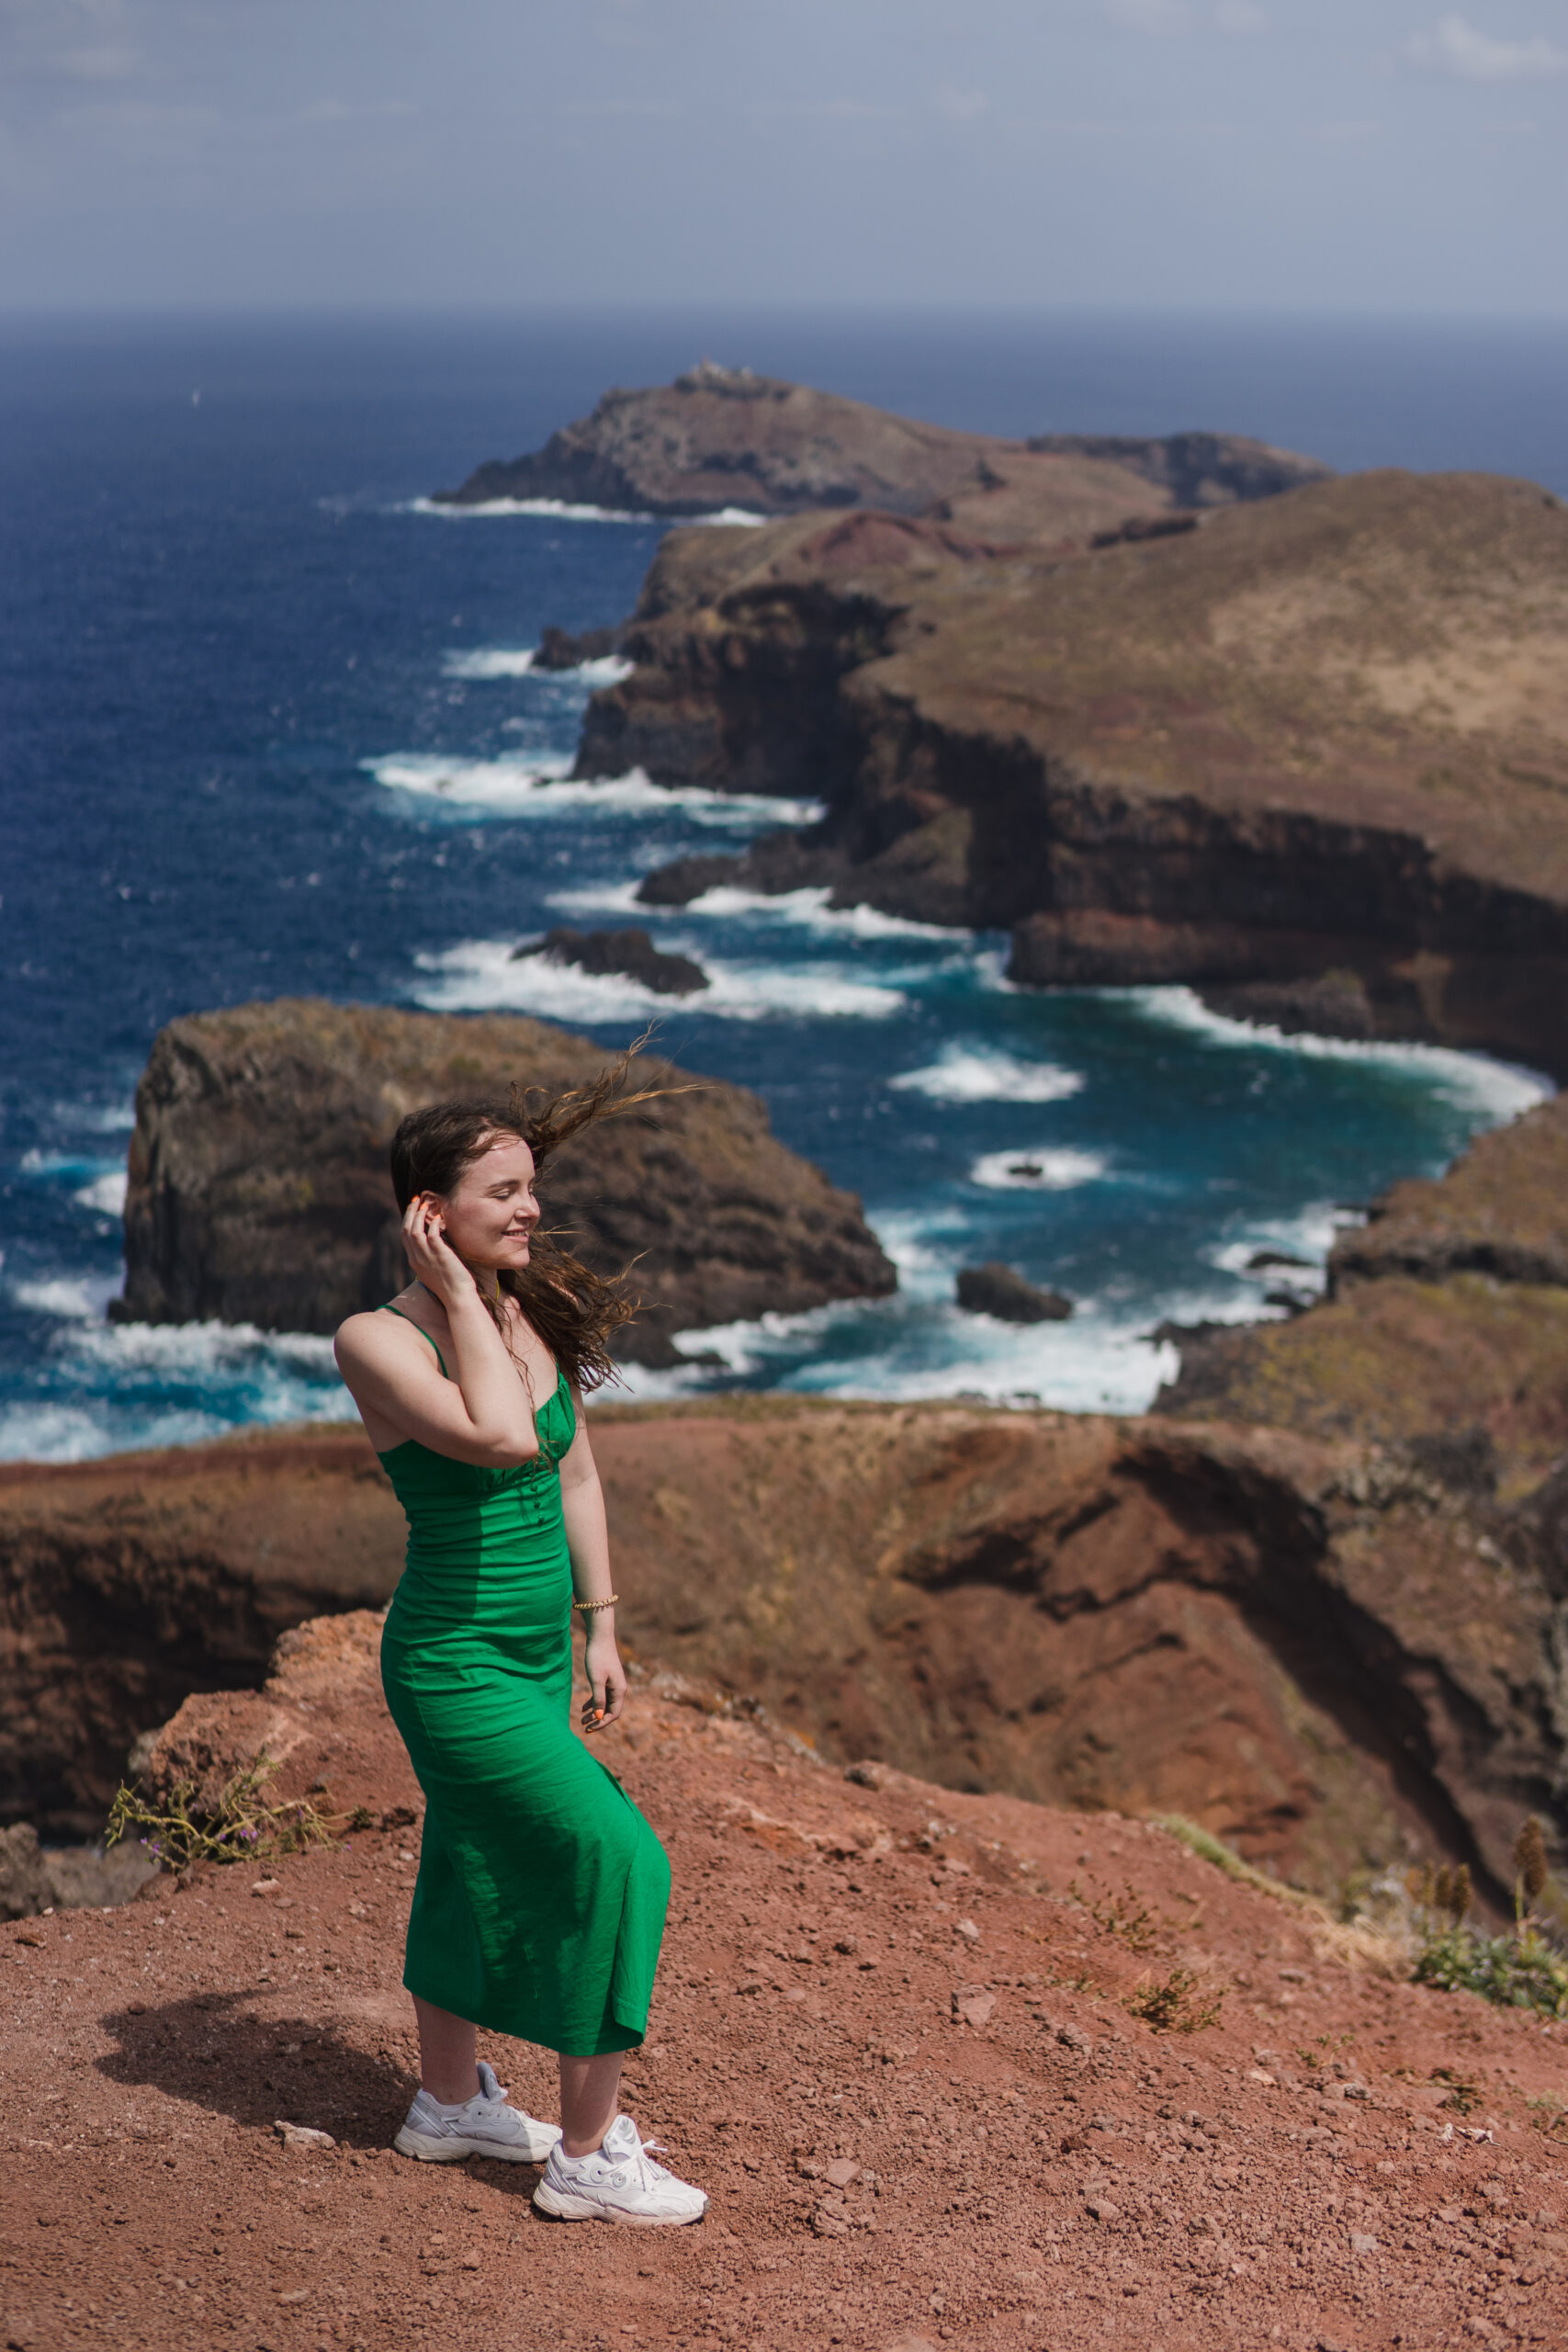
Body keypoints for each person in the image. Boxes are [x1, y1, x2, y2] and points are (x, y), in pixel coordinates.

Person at [333, 1056, 707, 2226]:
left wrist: (600, 1624)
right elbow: (501, 1437)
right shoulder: (379, 1339)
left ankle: (448, 2105)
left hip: (539, 1652)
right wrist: (452, 1293)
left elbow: (575, 1466)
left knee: (464, 1855)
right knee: (622, 1855)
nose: (533, 1208)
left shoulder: (526, 1309)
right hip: (452, 1663)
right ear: (434, 1216)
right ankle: (588, 2156)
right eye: (505, 1191)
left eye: (532, 1186)